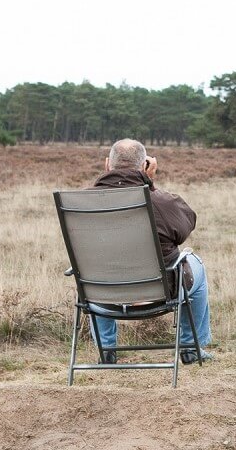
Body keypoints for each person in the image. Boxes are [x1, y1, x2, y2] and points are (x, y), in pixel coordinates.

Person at [89, 139, 212, 365]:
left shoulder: (83, 204)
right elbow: (186, 225)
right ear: (146, 166)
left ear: (107, 165)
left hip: (102, 296)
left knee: (96, 270)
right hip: (159, 293)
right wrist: (150, 185)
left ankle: (106, 350)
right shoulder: (161, 201)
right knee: (197, 264)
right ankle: (190, 347)